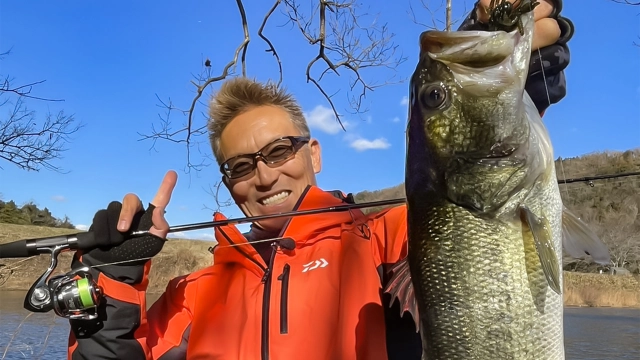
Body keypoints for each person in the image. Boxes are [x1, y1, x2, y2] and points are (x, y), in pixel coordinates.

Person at [66, 1, 573, 359]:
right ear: (228, 185)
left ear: (314, 153)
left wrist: (490, 53)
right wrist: (112, 283)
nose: (264, 175)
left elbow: (461, 194)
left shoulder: (386, 239)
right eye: (240, 167)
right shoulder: (195, 292)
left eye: (279, 151)